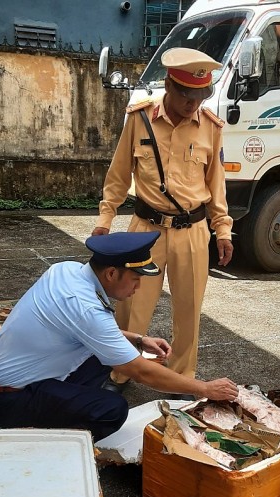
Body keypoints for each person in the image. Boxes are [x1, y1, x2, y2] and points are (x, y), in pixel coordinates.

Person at [0, 231, 238, 441]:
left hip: (13, 381)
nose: (138, 288)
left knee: (102, 358)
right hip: (12, 400)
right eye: (135, 279)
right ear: (111, 274)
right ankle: (51, 441)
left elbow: (83, 327)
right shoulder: (86, 307)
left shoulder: (67, 271)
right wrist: (204, 388)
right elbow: (142, 372)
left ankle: (61, 412)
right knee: (112, 409)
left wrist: (138, 339)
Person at [92, 47, 234, 397]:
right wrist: (105, 219)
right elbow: (118, 176)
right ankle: (121, 371)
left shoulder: (211, 127)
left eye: (200, 94)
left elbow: (217, 186)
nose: (192, 102)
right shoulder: (139, 119)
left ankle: (181, 377)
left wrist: (223, 231)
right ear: (169, 86)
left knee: (189, 313)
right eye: (186, 93)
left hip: (193, 231)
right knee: (130, 306)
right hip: (146, 230)